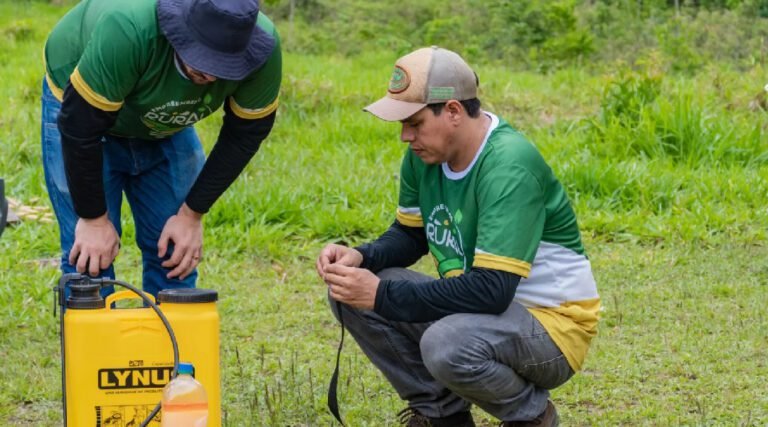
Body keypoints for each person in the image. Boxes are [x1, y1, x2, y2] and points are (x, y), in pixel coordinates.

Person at [316, 47, 600, 426]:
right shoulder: (425, 156)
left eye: (414, 123)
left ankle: (532, 416)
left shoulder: (508, 165)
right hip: (483, 314)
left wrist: (381, 294)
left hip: (551, 329)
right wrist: (362, 258)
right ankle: (442, 416)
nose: (405, 136)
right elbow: (410, 235)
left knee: (445, 343)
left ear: (452, 111)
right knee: (348, 293)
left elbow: (492, 289)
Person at [42, 0, 281, 296]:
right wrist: (93, 219)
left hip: (162, 116)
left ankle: (168, 342)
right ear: (179, 34)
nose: (212, 77)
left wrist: (191, 215)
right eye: (204, 62)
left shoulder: (263, 47)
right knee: (91, 263)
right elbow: (81, 128)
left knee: (175, 255)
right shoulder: (129, 29)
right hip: (82, 110)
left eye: (225, 67)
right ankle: (95, 340)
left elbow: (245, 135)